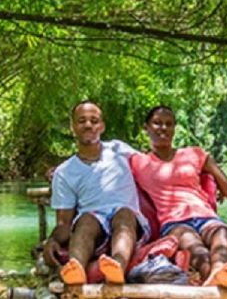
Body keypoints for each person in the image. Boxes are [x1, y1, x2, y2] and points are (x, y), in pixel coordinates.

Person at [130, 106, 227, 287]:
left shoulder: (195, 154)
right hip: (175, 223)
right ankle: (221, 278)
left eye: (169, 124)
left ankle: (218, 274)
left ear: (175, 128)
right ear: (146, 127)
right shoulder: (137, 162)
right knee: (196, 248)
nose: (163, 128)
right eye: (157, 123)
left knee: (223, 234)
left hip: (207, 218)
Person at [43, 100, 150, 285]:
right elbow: (64, 223)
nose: (88, 125)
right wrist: (52, 241)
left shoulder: (119, 149)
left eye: (94, 120)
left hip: (128, 219)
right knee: (86, 221)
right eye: (82, 120)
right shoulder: (65, 172)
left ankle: (117, 268)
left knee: (124, 215)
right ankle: (75, 270)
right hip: (93, 221)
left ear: (102, 126)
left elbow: (151, 165)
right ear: (73, 127)